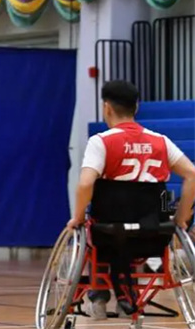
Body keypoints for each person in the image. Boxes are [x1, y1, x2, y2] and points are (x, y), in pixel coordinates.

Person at [67, 80, 195, 320]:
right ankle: (129, 295)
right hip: (155, 231)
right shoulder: (161, 141)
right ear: (136, 108)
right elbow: (192, 175)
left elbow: (85, 184)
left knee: (91, 224)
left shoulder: (101, 141)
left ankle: (100, 297)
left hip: (110, 231)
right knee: (152, 207)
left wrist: (76, 216)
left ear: (107, 108)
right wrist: (180, 218)